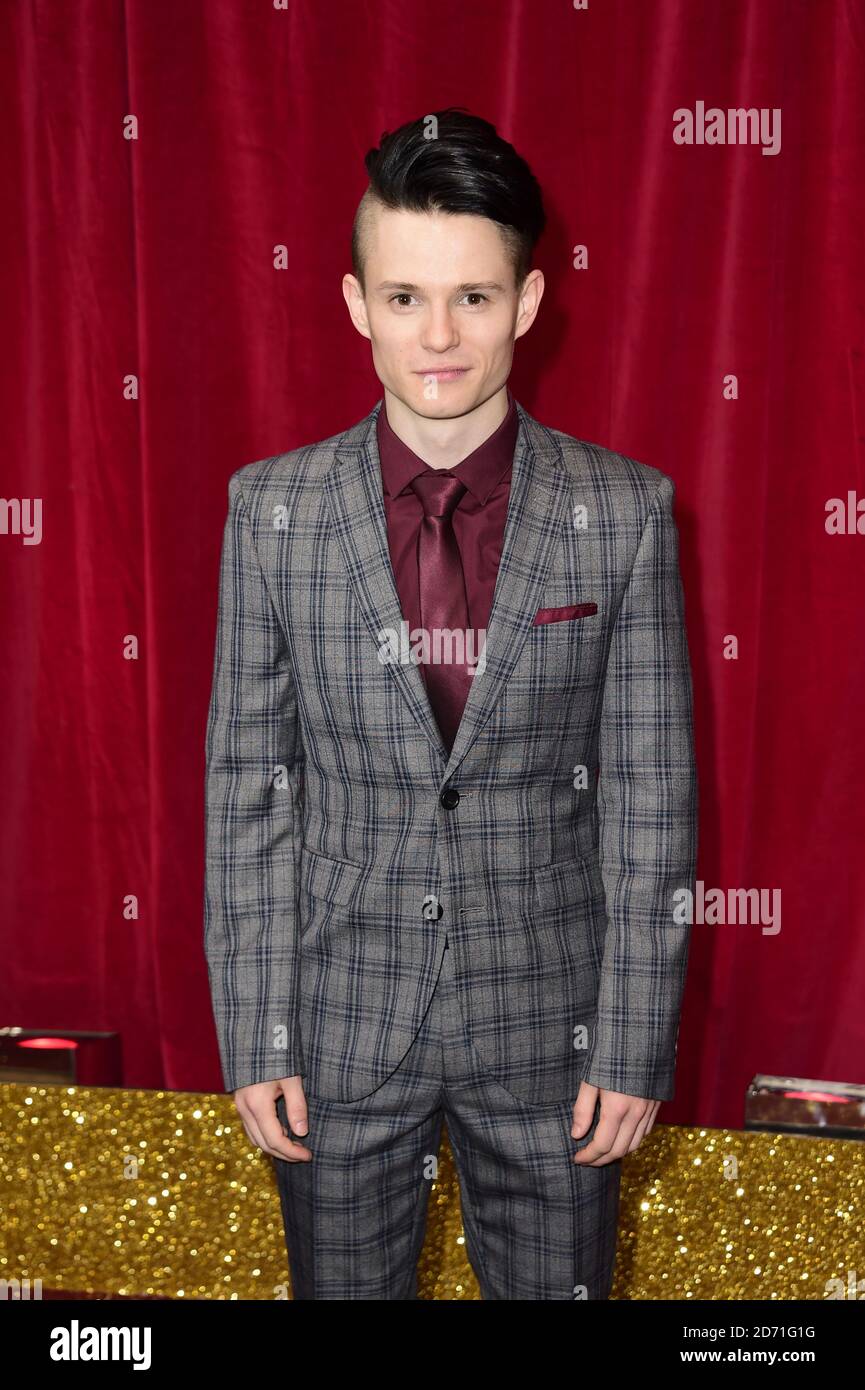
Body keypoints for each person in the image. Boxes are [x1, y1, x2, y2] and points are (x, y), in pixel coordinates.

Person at [203, 107, 698, 1300]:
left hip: (554, 1043)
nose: (439, 335)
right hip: (335, 1030)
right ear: (355, 301)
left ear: (526, 305)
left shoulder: (624, 512)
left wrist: (631, 1038)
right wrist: (258, 1027)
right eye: (407, 295)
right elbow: (248, 788)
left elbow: (647, 791)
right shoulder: (268, 512)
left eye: (473, 298)